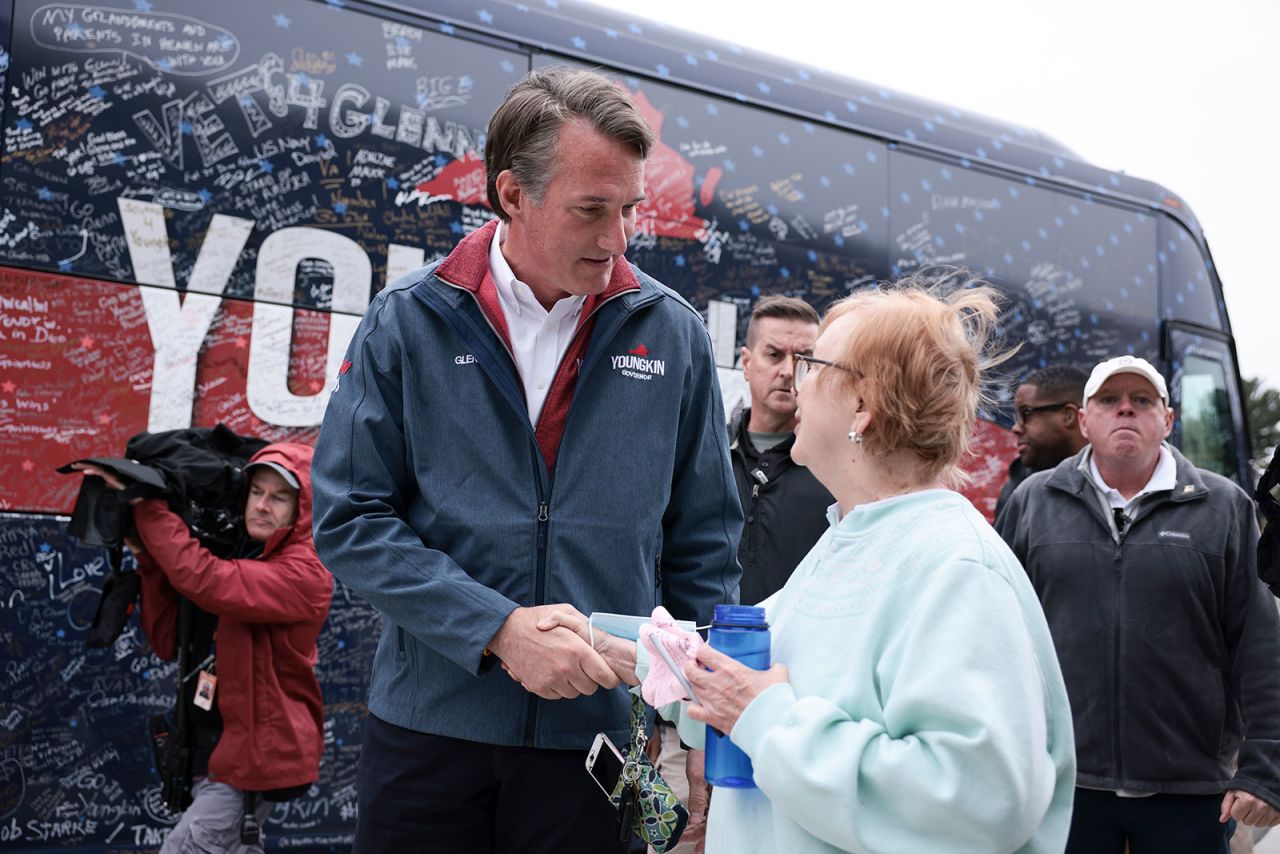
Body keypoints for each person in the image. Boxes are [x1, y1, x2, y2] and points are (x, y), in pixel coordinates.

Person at [310, 67, 741, 854]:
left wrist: (705, 730)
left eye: (630, 211)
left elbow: (703, 550)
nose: (617, 241)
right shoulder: (408, 321)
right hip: (428, 740)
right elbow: (349, 518)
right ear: (512, 195)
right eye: (591, 211)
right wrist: (497, 629)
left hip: (598, 752)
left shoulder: (671, 336)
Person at [553, 276, 1077, 852]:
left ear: (862, 402)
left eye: (812, 365)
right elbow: (744, 666)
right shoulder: (854, 538)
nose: (795, 386)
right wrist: (602, 638)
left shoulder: (956, 568)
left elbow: (980, 798)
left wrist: (763, 717)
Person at [998, 354, 1280, 852]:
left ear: (1167, 420)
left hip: (1192, 792)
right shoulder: (1032, 502)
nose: (1125, 410)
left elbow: (1259, 648)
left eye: (1142, 401)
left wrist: (1266, 770)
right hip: (1066, 785)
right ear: (1084, 420)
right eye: (1109, 400)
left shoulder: (1224, 507)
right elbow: (998, 637)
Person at [79, 443, 332, 853]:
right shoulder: (235, 551)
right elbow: (167, 641)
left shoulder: (306, 573)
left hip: (250, 763)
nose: (264, 506)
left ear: (300, 510)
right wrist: (147, 558)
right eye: (257, 492)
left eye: (280, 498)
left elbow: (205, 580)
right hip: (202, 752)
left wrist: (147, 503)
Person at [730, 294, 833, 604]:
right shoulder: (706, 457)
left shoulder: (837, 470)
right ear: (747, 364)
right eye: (774, 355)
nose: (788, 371)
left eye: (804, 360)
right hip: (702, 644)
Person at [995, 365, 1089, 518]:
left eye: (1025, 413)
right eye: (1016, 417)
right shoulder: (1018, 493)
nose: (1016, 428)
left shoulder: (1120, 483)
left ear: (1069, 416)